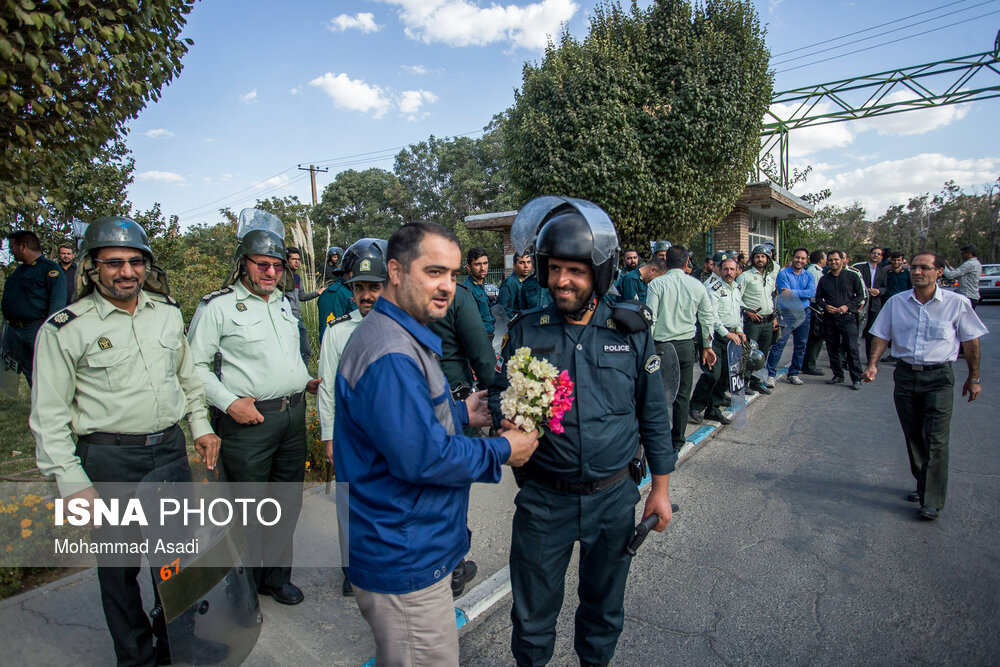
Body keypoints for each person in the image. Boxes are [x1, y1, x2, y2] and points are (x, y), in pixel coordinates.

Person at [334, 221, 539, 665]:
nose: (446, 286)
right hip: (404, 554)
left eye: (450, 273)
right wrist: (506, 450)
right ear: (395, 270)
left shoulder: (401, 334)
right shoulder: (391, 352)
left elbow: (402, 428)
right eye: (432, 272)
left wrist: (462, 412)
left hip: (408, 544)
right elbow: (424, 458)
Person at [30, 216, 227, 666]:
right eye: (113, 262)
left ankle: (180, 643)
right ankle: (136, 657)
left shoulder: (168, 313)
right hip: (108, 461)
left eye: (135, 261)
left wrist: (200, 425)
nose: (126, 271)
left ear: (147, 265)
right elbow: (48, 418)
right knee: (119, 573)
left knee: (175, 562)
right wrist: (72, 485)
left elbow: (188, 378)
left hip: (167, 452)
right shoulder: (66, 330)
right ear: (92, 266)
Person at [488, 199, 674, 667]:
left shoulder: (629, 331)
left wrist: (661, 490)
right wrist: (505, 416)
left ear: (600, 274)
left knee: (603, 613)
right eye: (554, 269)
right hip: (543, 501)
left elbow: (653, 414)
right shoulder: (528, 330)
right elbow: (497, 393)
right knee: (531, 619)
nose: (561, 280)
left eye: (575, 270)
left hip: (613, 499)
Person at [187, 223, 321, 606]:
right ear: (243, 264)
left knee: (285, 502)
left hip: (292, 417)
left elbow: (283, 356)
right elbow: (193, 366)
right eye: (262, 264)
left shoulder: (282, 302)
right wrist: (229, 403)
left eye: (277, 266)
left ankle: (275, 579)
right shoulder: (218, 307)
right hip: (248, 423)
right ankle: (241, 588)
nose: (270, 272)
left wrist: (303, 380)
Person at [863, 251, 988, 521]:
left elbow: (971, 342)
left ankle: (931, 500)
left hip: (939, 378)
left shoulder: (957, 303)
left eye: (924, 268)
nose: (917, 272)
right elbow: (882, 335)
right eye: (915, 268)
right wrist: (872, 364)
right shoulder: (897, 303)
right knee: (914, 434)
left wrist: (974, 377)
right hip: (906, 376)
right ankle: (924, 483)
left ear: (939, 272)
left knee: (936, 438)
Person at [317, 243, 387, 598]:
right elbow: (327, 387)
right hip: (349, 436)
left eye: (374, 287)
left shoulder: (400, 328)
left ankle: (383, 561)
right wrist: (328, 436)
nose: (367, 295)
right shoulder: (338, 331)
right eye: (360, 287)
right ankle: (352, 568)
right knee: (349, 503)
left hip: (387, 435)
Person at [647, 246, 717, 452]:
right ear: (687, 262)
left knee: (658, 393)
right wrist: (708, 346)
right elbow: (706, 318)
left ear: (666, 263)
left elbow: (651, 318)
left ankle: (656, 437)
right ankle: (677, 439)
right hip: (686, 346)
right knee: (682, 395)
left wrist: (647, 348)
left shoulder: (657, 284)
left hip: (661, 346)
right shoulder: (697, 286)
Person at [1, 230, 67, 387]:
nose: (10, 251)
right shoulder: (19, 270)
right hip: (15, 332)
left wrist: (50, 334)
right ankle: (37, 405)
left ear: (23, 246)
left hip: (36, 330)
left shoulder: (50, 271)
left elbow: (57, 308)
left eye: (12, 247)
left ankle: (49, 406)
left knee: (44, 374)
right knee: (28, 373)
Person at [690, 257, 746, 425]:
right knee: (712, 373)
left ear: (737, 271)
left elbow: (738, 313)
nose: (729, 272)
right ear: (720, 270)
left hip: (731, 336)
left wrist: (739, 330)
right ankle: (695, 406)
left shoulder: (736, 288)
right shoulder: (713, 288)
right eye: (725, 269)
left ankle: (713, 410)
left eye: (732, 269)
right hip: (714, 335)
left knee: (725, 374)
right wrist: (726, 333)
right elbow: (711, 316)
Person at [764, 248, 816, 387]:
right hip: (787, 314)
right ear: (793, 258)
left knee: (801, 345)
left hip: (804, 313)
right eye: (797, 257)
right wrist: (803, 294)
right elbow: (784, 294)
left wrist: (793, 292)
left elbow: (811, 292)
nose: (800, 260)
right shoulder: (783, 274)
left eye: (803, 258)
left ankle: (794, 373)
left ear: (806, 260)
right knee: (779, 344)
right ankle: (771, 375)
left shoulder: (809, 276)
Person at [816, 250, 866, 390]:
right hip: (830, 319)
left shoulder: (852, 276)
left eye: (836, 259)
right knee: (832, 348)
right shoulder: (824, 279)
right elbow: (818, 298)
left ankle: (856, 378)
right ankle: (838, 375)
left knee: (851, 349)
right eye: (830, 260)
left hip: (848, 318)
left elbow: (860, 296)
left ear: (842, 260)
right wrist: (826, 306)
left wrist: (847, 306)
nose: (833, 262)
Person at [736, 244, 778, 393]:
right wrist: (748, 312)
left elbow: (771, 298)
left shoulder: (770, 277)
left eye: (763, 256)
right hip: (753, 322)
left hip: (768, 321)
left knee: (763, 353)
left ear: (768, 259)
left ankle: (756, 381)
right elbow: (736, 299)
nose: (760, 259)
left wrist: (774, 317)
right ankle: (745, 381)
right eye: (757, 256)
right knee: (749, 353)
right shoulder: (744, 276)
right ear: (753, 259)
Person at [285, 246, 325, 363]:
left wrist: (317, 293)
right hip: (286, 318)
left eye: (298, 259)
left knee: (306, 350)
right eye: (293, 259)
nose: (297, 262)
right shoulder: (279, 277)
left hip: (298, 318)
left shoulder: (297, 278)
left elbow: (301, 297)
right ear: (287, 260)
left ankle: (303, 378)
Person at [853, 246, 888, 362]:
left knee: (871, 333)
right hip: (860, 303)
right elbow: (855, 283)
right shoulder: (860, 268)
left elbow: (885, 287)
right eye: (874, 253)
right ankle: (850, 359)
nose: (876, 255)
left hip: (875, 304)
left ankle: (871, 359)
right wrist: (865, 290)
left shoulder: (883, 271)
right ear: (869, 254)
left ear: (881, 257)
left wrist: (878, 291)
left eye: (878, 254)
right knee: (855, 331)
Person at [801, 250, 827, 376]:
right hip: (815, 307)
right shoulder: (816, 273)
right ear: (820, 259)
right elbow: (817, 293)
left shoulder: (807, 271)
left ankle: (805, 363)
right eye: (825, 257)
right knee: (815, 337)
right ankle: (809, 364)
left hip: (808, 307)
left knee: (808, 337)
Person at [317, 249, 356, 327]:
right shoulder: (333, 294)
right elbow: (330, 332)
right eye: (334, 257)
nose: (336, 259)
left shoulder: (352, 291)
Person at [463, 246, 496, 339]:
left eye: (485, 263)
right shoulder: (468, 289)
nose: (482, 268)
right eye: (477, 264)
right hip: (479, 338)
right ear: (469, 267)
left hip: (488, 337)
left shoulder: (480, 287)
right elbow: (469, 324)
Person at [943, 244, 983, 308]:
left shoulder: (969, 264)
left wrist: (943, 267)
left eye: (963, 253)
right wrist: (949, 267)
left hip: (967, 296)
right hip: (971, 296)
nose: (961, 255)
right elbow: (958, 275)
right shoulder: (976, 263)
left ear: (969, 253)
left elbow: (950, 275)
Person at [498, 252, 533, 318]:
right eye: (521, 263)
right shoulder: (509, 283)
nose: (526, 266)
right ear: (514, 265)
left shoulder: (529, 281)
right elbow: (505, 311)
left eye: (528, 262)